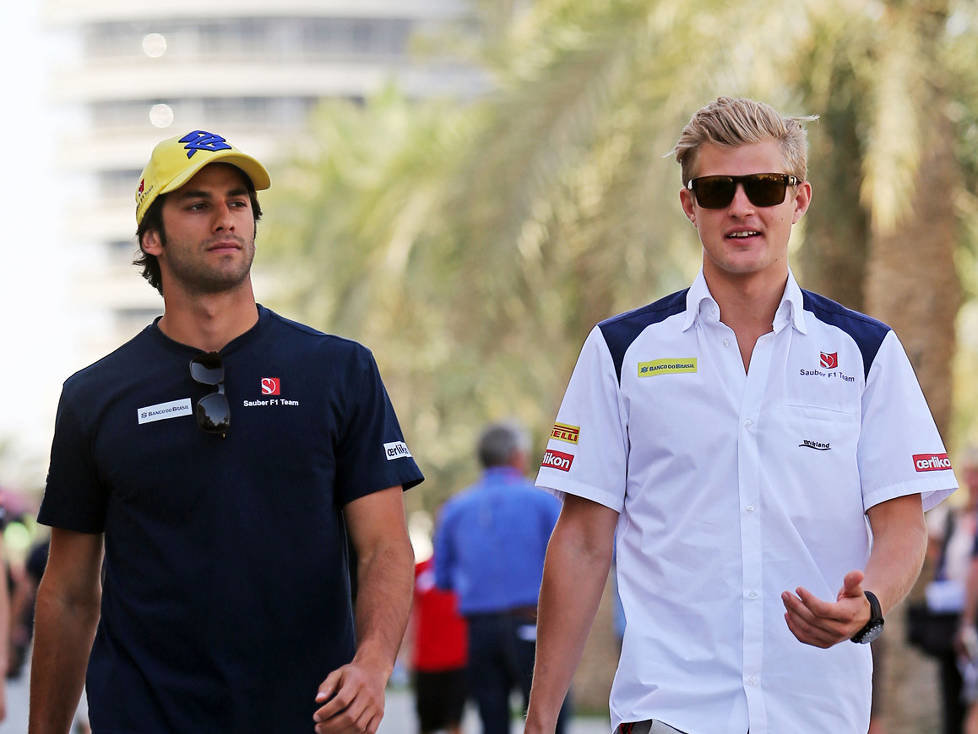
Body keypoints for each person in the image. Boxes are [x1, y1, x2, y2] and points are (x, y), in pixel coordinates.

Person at [524, 97, 958, 734]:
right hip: (667, 713)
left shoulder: (866, 353)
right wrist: (539, 721)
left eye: (764, 186)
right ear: (689, 205)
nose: (742, 206)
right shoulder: (621, 351)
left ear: (798, 200)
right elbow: (584, 541)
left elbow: (902, 525)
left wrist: (867, 606)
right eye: (717, 189)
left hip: (816, 716)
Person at [29, 129, 423, 734]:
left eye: (237, 202)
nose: (225, 219)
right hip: (144, 719)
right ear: (151, 238)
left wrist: (371, 667)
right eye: (197, 204)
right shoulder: (93, 397)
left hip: (309, 719)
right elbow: (70, 592)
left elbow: (385, 549)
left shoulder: (340, 371)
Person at [434, 422, 566, 734]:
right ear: (518, 456)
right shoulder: (544, 501)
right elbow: (572, 562)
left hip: (480, 628)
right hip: (533, 623)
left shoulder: (455, 509)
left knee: (491, 722)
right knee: (550, 719)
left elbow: (442, 578)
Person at [410, 555, 468, 734]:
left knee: (455, 722)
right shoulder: (419, 570)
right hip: (426, 660)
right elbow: (407, 612)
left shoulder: (466, 567)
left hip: (458, 660)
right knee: (425, 724)